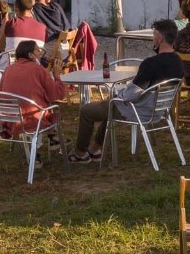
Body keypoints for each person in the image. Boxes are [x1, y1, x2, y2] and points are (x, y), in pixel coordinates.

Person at [70, 19, 182, 163]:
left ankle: (80, 153)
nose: (153, 39)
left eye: (154, 35)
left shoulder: (151, 63)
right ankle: (94, 149)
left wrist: (119, 94)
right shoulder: (178, 62)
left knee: (87, 110)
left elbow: (132, 94)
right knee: (109, 107)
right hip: (159, 109)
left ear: (159, 38)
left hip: (138, 109)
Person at [0, 39, 66, 134]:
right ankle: (54, 139)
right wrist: (56, 75)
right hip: (32, 119)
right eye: (38, 51)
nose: (41, 53)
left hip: (9, 120)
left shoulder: (8, 69)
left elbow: (1, 93)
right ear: (31, 55)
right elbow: (58, 93)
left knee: (43, 101)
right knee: (53, 109)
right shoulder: (37, 69)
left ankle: (52, 139)